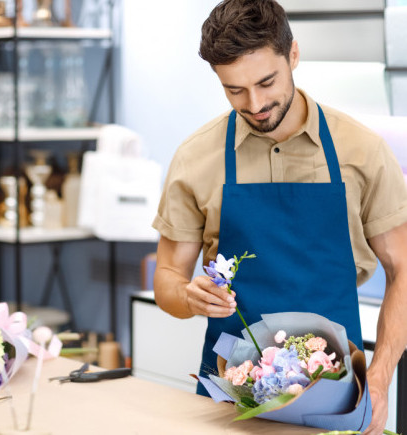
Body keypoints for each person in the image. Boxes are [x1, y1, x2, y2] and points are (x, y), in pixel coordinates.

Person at [151, 1, 407, 434]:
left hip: (336, 397)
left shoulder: (362, 151)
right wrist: (188, 297)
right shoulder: (196, 158)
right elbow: (167, 279)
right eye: (234, 90)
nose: (254, 104)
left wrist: (379, 379)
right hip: (230, 402)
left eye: (266, 82)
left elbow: (402, 269)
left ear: (293, 56)